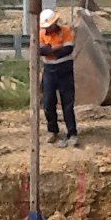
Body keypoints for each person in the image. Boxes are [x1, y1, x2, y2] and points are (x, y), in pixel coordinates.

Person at [39, 9, 79, 149]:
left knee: (67, 104)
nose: (48, 28)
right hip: (49, 72)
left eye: (50, 25)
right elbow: (40, 50)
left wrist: (52, 50)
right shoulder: (42, 34)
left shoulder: (66, 31)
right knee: (48, 103)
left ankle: (72, 133)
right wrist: (55, 49)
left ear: (55, 22)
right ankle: (53, 131)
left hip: (65, 71)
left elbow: (67, 50)